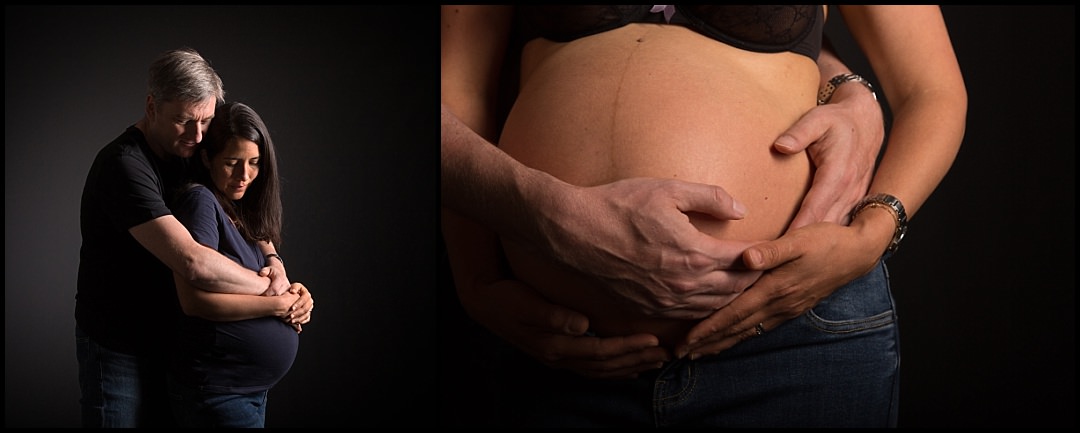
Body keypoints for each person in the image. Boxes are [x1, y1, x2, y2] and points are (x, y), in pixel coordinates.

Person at [441, 5, 966, 428]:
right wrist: (477, 277)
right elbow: (456, 98)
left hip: (793, 340)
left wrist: (873, 233)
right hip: (559, 352)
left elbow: (932, 92)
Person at [76, 47, 313, 428]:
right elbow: (194, 262)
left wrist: (275, 262)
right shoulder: (124, 167)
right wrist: (274, 295)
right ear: (152, 106)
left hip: (170, 341)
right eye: (184, 121)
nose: (198, 134)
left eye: (205, 120)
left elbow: (246, 213)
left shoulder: (192, 150)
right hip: (119, 343)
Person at [166, 101, 306, 428]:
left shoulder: (238, 210)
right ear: (206, 158)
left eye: (255, 163)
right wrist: (276, 305)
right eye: (232, 163)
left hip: (247, 390)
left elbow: (259, 280)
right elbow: (194, 301)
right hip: (216, 392)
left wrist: (297, 297)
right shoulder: (199, 200)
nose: (245, 176)